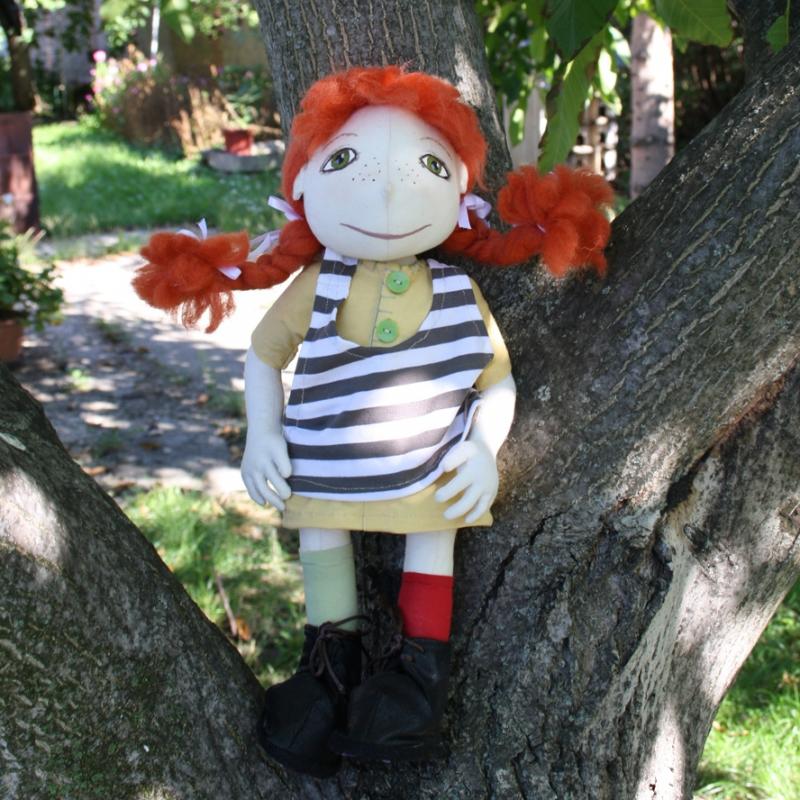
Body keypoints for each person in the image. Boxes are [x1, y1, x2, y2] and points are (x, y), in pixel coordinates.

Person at [133, 65, 612, 778]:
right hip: (322, 467)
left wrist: (483, 450)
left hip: (430, 472)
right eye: (345, 162)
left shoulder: (458, 292)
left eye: (428, 166)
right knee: (324, 546)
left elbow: (496, 382)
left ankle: (415, 683)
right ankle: (328, 675)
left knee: (430, 544)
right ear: (303, 184)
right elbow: (263, 355)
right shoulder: (317, 284)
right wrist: (263, 434)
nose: (387, 190)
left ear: (460, 190)